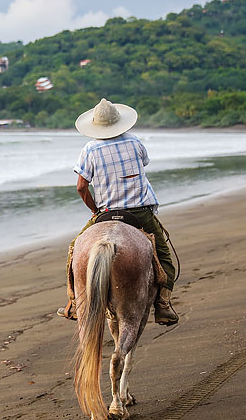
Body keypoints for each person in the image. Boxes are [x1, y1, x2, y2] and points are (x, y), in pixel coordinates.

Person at [57, 98, 178, 325]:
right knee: (164, 256)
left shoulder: (90, 149)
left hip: (107, 213)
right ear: (119, 122)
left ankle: (73, 303)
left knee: (75, 249)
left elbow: (81, 187)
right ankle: (163, 304)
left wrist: (95, 210)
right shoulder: (134, 142)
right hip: (140, 212)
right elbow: (142, 166)